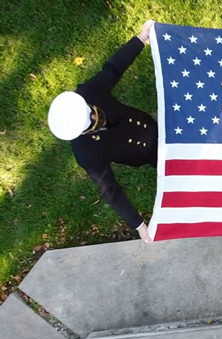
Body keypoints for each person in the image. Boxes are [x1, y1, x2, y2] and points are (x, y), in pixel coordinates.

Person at [48, 20, 157, 242]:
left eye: (90, 111)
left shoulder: (89, 92)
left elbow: (113, 68)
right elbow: (110, 189)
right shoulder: (86, 154)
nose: (95, 115)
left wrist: (141, 38)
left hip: (150, 124)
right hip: (147, 154)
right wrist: (138, 224)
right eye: (90, 122)